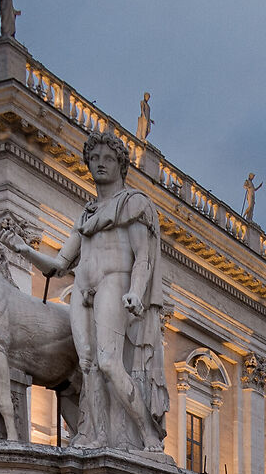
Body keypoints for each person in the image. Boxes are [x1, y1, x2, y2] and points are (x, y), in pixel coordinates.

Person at [11, 129, 166, 449]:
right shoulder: (87, 214)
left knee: (109, 362)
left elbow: (143, 257)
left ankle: (147, 432)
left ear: (121, 165)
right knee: (88, 366)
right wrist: (25, 250)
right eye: (94, 158)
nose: (100, 163)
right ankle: (96, 434)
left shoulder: (133, 204)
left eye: (108, 158)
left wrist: (136, 291)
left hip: (115, 282)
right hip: (83, 287)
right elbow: (59, 265)